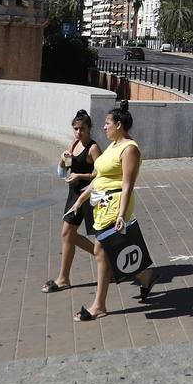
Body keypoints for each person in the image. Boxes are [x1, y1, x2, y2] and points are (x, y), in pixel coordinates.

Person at [67, 100, 155, 321]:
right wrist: (80, 200)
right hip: (101, 203)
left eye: (107, 123)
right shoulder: (113, 145)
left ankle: (99, 306)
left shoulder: (129, 149)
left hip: (115, 204)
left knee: (102, 250)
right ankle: (145, 276)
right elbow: (101, 177)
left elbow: (127, 184)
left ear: (118, 125)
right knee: (115, 249)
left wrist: (121, 215)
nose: (104, 127)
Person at [43, 110, 100, 293]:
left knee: (73, 234)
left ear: (89, 129)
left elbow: (101, 174)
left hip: (88, 195)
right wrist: (61, 161)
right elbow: (63, 173)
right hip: (74, 194)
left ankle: (66, 277)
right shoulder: (73, 144)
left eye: (82, 128)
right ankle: (65, 277)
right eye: (75, 128)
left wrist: (80, 175)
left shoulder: (93, 148)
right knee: (68, 234)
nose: (78, 132)